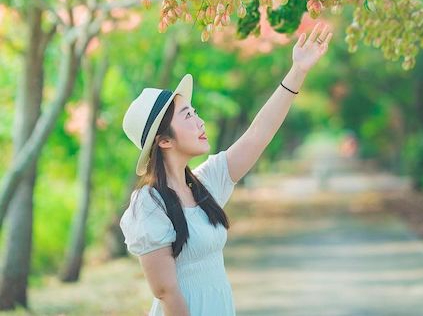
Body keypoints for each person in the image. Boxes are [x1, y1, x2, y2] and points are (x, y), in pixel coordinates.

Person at [119, 21, 333, 316]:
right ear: (164, 140)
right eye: (187, 116)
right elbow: (167, 293)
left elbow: (258, 135)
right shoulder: (150, 205)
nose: (200, 122)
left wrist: (298, 71)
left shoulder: (205, 185)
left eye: (195, 113)